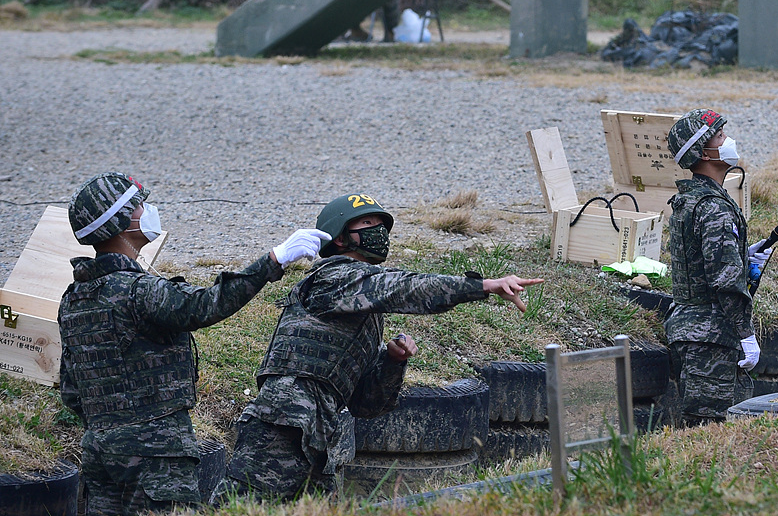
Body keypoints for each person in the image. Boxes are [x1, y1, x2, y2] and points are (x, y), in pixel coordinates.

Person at [212, 192, 542, 502]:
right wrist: (481, 286)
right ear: (339, 237)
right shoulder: (336, 277)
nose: (379, 230)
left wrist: (392, 363)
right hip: (285, 420)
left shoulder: (362, 307)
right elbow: (405, 288)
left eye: (382, 224)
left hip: (320, 429)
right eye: (368, 224)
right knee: (237, 506)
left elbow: (367, 405)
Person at [59, 172, 328, 516]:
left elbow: (71, 387)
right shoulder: (138, 290)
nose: (148, 210)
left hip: (99, 449)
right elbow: (204, 305)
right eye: (140, 205)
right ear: (122, 220)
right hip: (156, 455)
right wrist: (274, 260)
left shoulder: (75, 298)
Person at [663, 110, 772, 426]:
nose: (728, 140)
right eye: (720, 135)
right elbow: (724, 279)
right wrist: (746, 333)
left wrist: (743, 259)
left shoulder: (696, 199)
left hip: (697, 332)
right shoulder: (713, 207)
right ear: (703, 152)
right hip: (710, 338)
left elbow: (701, 263)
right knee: (712, 434)